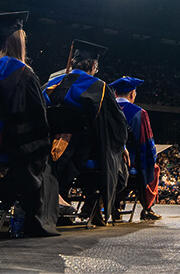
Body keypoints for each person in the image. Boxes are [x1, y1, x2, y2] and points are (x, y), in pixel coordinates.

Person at [0, 11, 60, 237]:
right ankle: (31, 214)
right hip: (8, 150)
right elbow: (36, 129)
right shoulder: (22, 73)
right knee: (45, 159)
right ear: (18, 41)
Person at [42, 40, 128, 225]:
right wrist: (122, 146)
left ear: (73, 62)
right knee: (118, 166)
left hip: (44, 150)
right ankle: (92, 204)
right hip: (80, 153)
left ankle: (60, 197)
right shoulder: (99, 87)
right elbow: (116, 125)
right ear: (94, 65)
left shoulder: (51, 84)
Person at [109, 76, 161, 221]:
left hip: (104, 158)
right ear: (132, 94)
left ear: (115, 93)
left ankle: (116, 205)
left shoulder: (105, 109)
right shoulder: (140, 113)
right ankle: (147, 208)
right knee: (153, 168)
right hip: (129, 162)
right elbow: (147, 145)